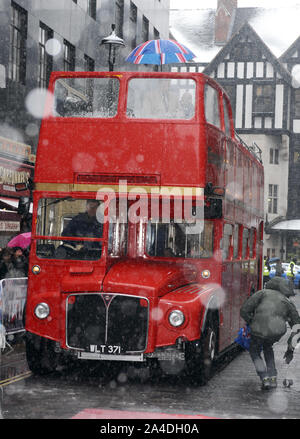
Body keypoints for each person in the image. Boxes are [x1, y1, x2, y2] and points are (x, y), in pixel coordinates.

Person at [240, 276, 300, 390]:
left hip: (257, 330)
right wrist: (290, 349)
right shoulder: (287, 302)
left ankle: (264, 378)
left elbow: (244, 310)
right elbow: (297, 326)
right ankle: (272, 377)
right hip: (276, 332)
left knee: (254, 350)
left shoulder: (261, 293)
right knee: (268, 347)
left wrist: (251, 322)